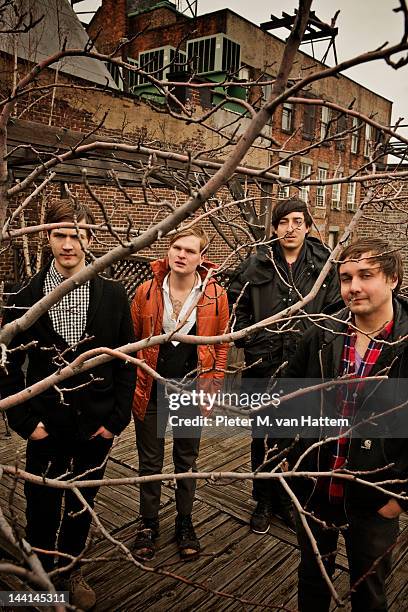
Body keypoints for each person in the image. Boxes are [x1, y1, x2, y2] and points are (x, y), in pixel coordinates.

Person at [0, 201, 136, 610]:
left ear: (90, 239)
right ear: (47, 238)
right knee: (41, 503)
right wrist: (26, 421)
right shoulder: (25, 296)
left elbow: (126, 358)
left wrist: (116, 419)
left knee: (81, 502)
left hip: (96, 424)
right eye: (60, 233)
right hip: (46, 422)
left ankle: (72, 569)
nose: (68, 243)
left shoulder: (112, 295)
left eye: (77, 234)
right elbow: (4, 363)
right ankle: (42, 574)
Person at [281, 237, 408, 611]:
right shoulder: (322, 335)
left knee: (368, 593)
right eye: (346, 277)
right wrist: (290, 457)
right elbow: (288, 397)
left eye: (366, 275)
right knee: (313, 580)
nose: (353, 287)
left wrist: (399, 498)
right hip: (315, 487)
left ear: (393, 279)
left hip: (375, 497)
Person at [228, 197, 339, 534]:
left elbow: (334, 313)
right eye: (283, 222)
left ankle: (290, 499)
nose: (290, 228)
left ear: (307, 225)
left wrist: (316, 349)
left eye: (297, 221)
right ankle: (264, 499)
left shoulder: (323, 265)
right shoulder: (257, 263)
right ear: (274, 228)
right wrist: (251, 341)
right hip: (263, 367)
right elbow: (236, 308)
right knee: (262, 435)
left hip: (306, 369)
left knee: (299, 435)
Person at [130, 226, 229, 561]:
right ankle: (148, 523)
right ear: (168, 251)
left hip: (192, 389)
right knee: (150, 461)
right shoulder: (146, 291)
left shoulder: (215, 296)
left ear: (202, 257)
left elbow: (222, 345)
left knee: (186, 460)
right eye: (176, 248)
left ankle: (184, 522)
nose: (181, 255)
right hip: (151, 388)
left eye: (190, 250)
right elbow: (131, 344)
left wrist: (212, 387)